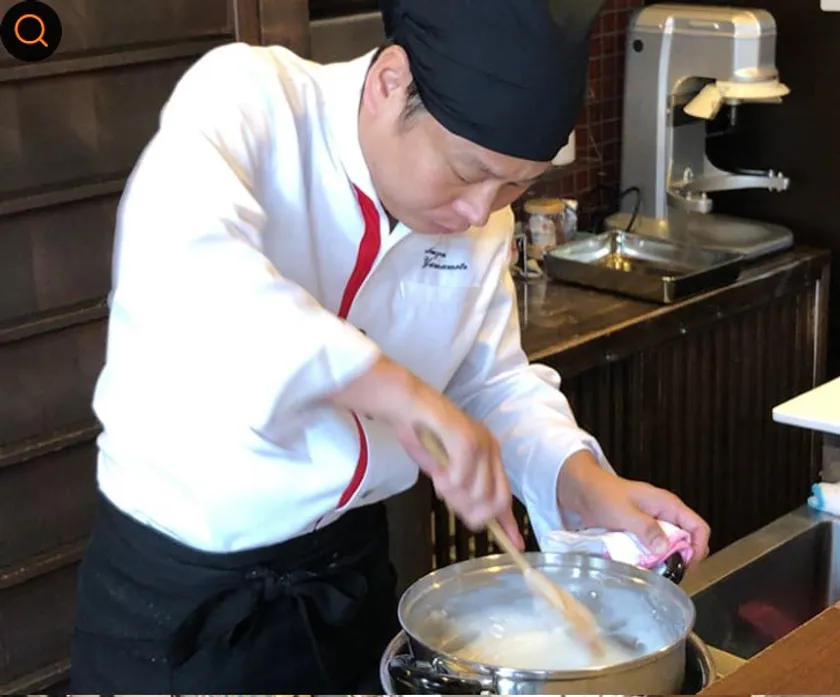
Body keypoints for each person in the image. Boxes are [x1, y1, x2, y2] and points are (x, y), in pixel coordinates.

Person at [70, 0, 711, 692]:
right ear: (389, 82)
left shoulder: (480, 218)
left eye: (516, 186)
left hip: (346, 579)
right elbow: (190, 275)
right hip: (183, 601)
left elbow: (488, 380)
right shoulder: (251, 104)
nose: (480, 210)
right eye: (466, 171)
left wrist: (577, 480)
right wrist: (398, 393)